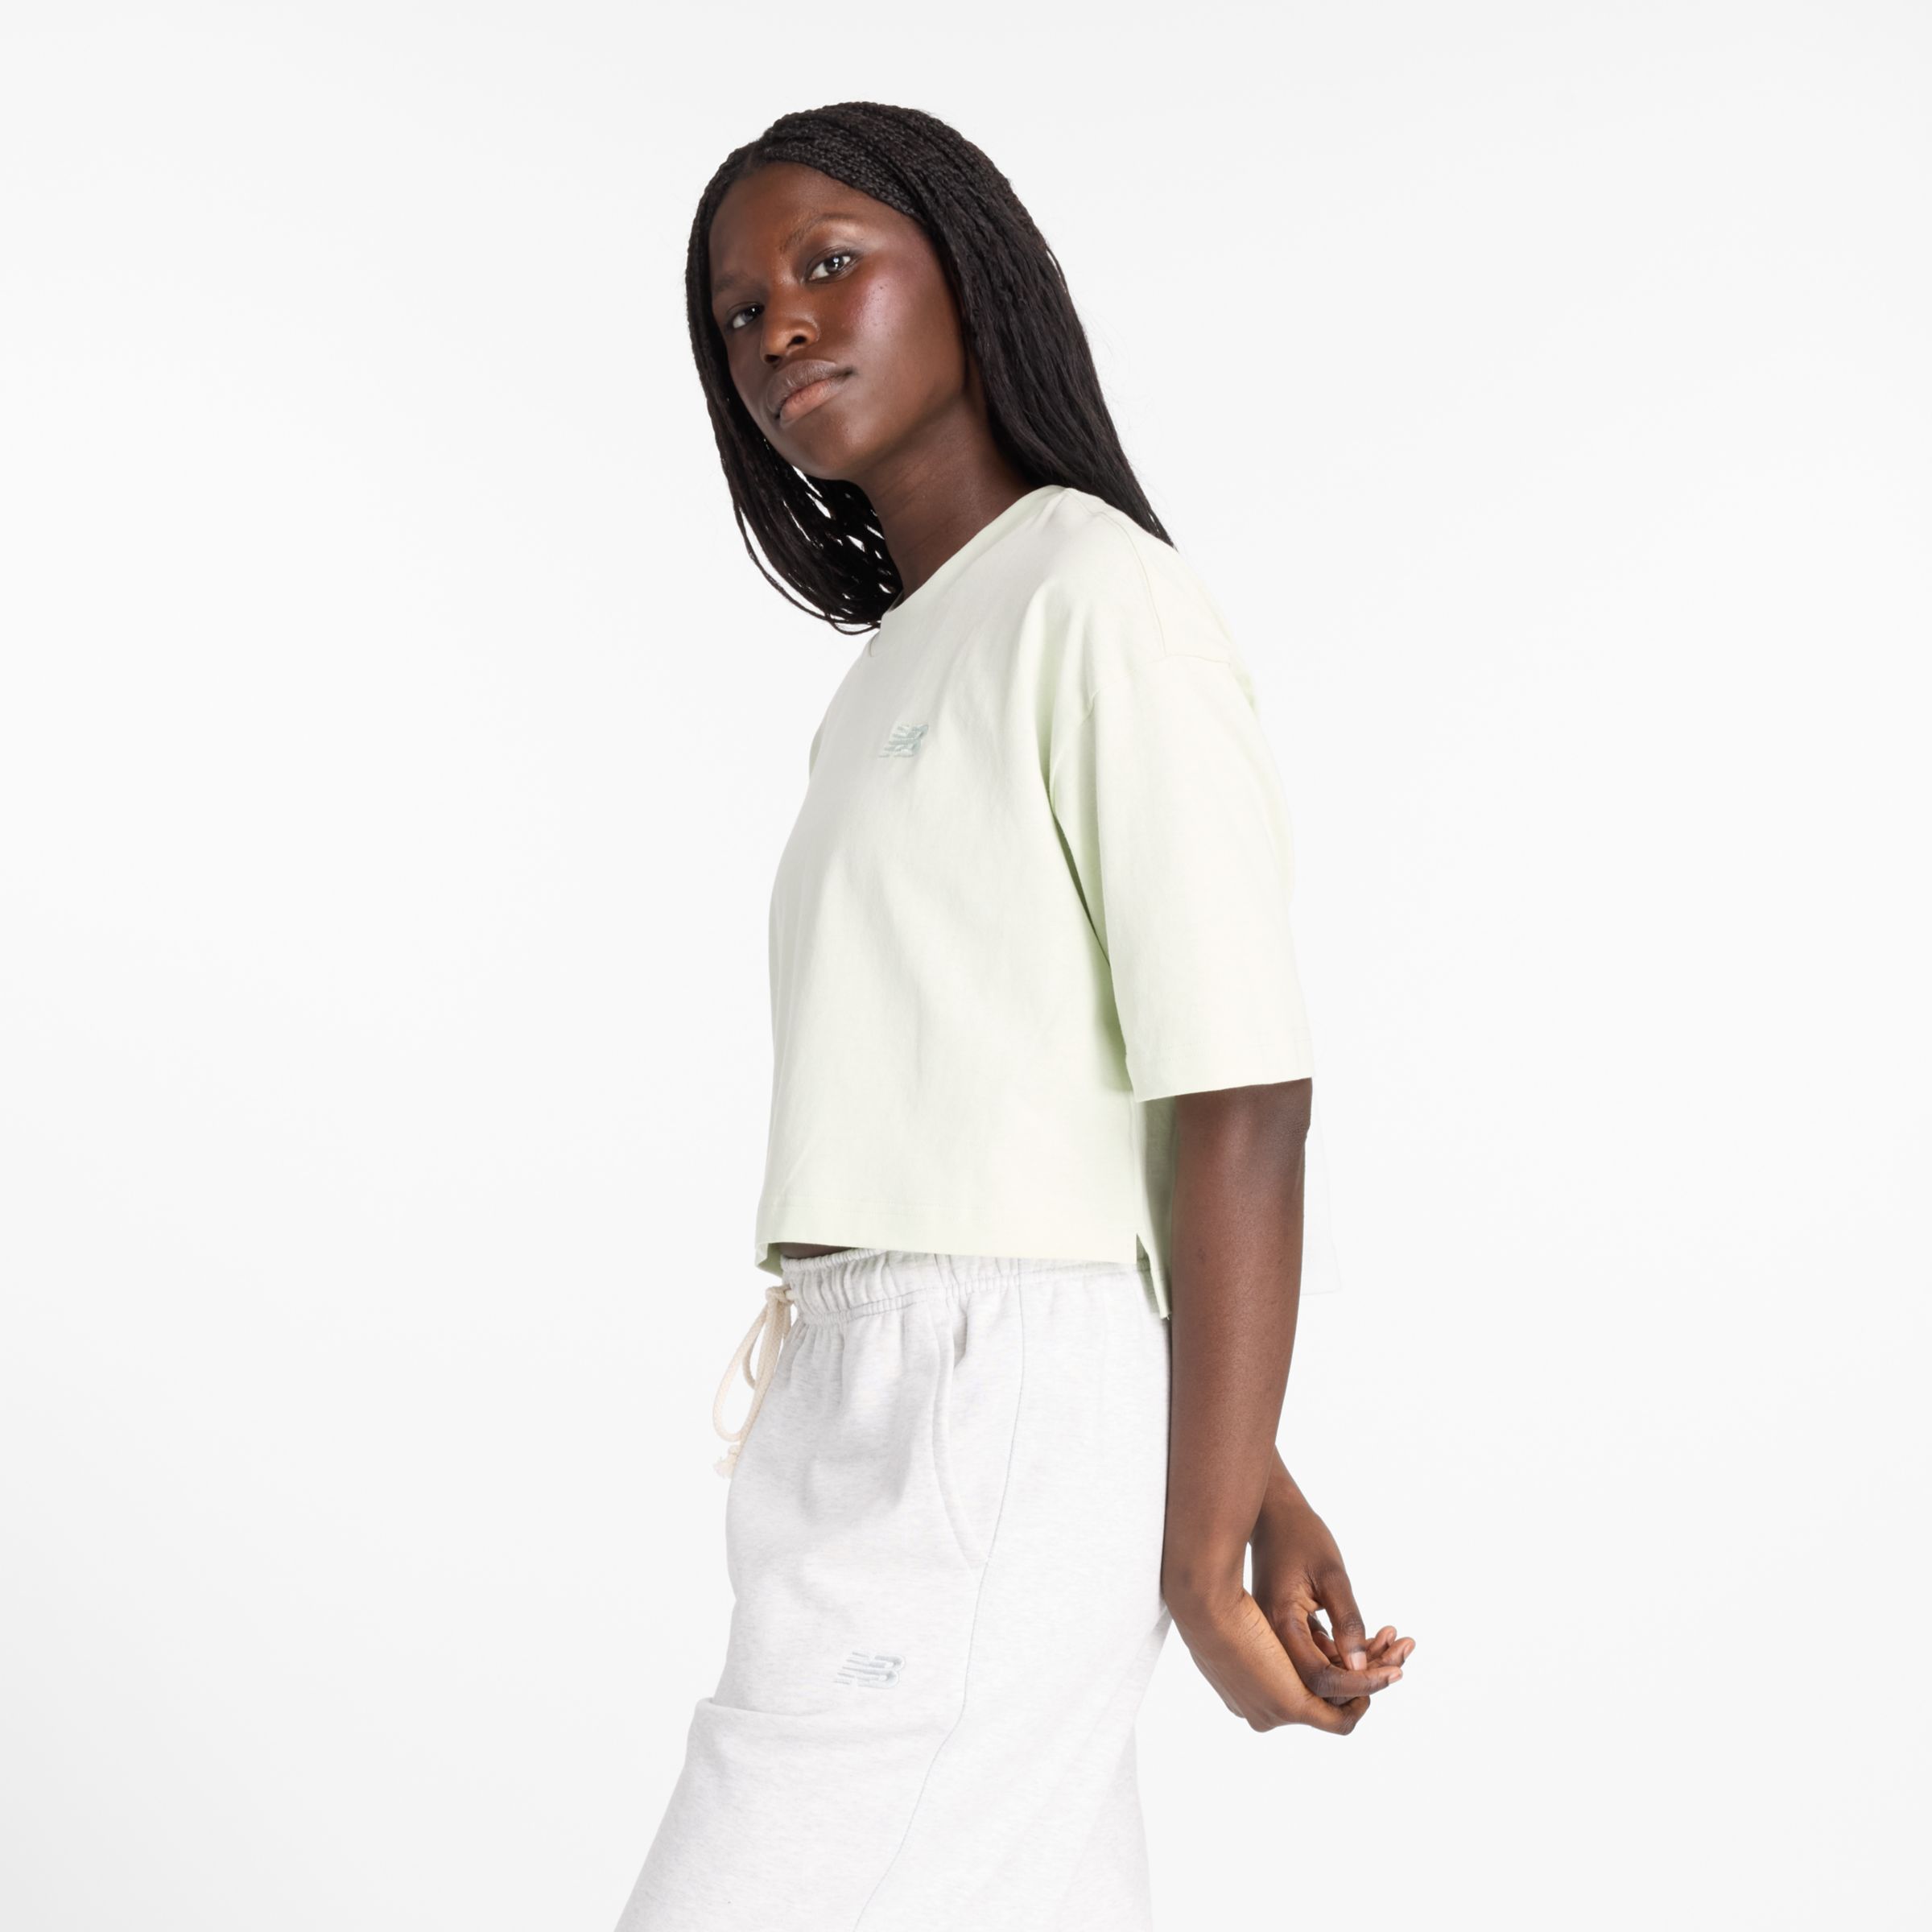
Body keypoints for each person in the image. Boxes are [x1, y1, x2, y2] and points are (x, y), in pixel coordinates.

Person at [613, 101, 1415, 1932]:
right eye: (738, 312)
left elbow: (1239, 1094)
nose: (780, 327)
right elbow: (1037, 1108)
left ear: (970, 277)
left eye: (831, 265)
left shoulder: (1098, 596)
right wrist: (1248, 1471)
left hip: (987, 1407)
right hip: (882, 1395)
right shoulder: (902, 661)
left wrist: (1203, 1548)